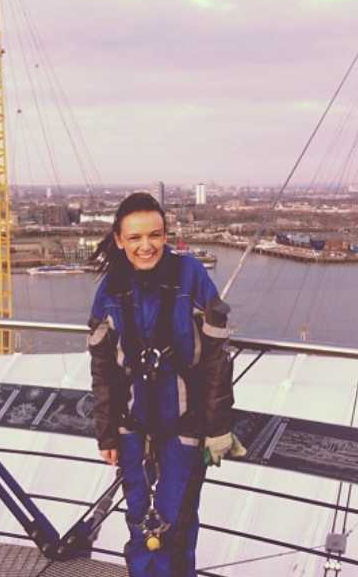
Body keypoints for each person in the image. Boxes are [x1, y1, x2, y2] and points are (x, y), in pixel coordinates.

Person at [87, 192, 243, 577]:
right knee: (141, 521)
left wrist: (217, 428)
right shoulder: (111, 289)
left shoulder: (190, 275)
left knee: (176, 524)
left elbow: (215, 361)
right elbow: (104, 368)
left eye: (155, 235)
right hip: (133, 427)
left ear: (166, 235)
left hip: (184, 427)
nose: (147, 246)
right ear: (120, 240)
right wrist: (107, 434)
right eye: (136, 238)